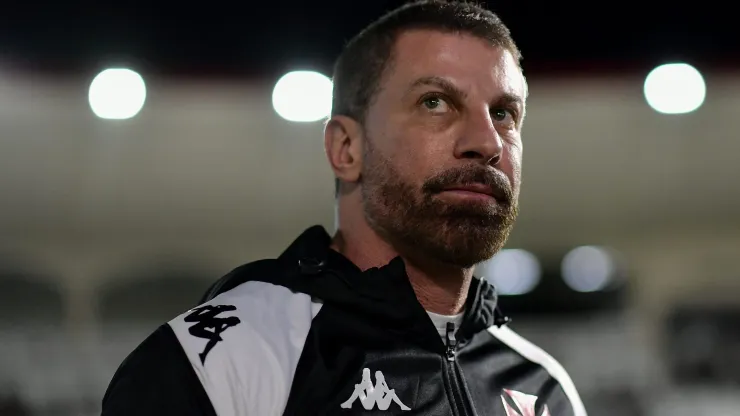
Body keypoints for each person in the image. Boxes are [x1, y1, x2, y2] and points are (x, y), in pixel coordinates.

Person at [102, 1, 588, 415]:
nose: (486, 142)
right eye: (435, 102)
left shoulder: (548, 392)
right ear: (346, 149)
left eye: (503, 113)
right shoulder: (221, 361)